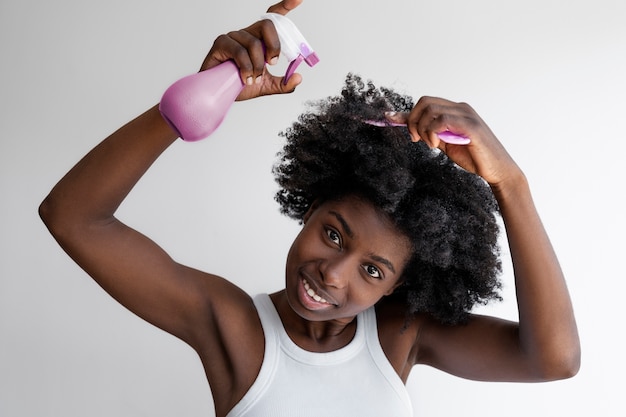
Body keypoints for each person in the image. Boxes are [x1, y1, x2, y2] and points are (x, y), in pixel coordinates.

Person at [39, 0, 580, 416]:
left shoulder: (400, 335)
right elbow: (72, 217)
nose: (332, 272)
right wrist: (191, 104)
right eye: (335, 234)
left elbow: (553, 360)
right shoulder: (234, 327)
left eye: (373, 270)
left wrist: (510, 184)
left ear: (396, 286)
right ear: (311, 205)